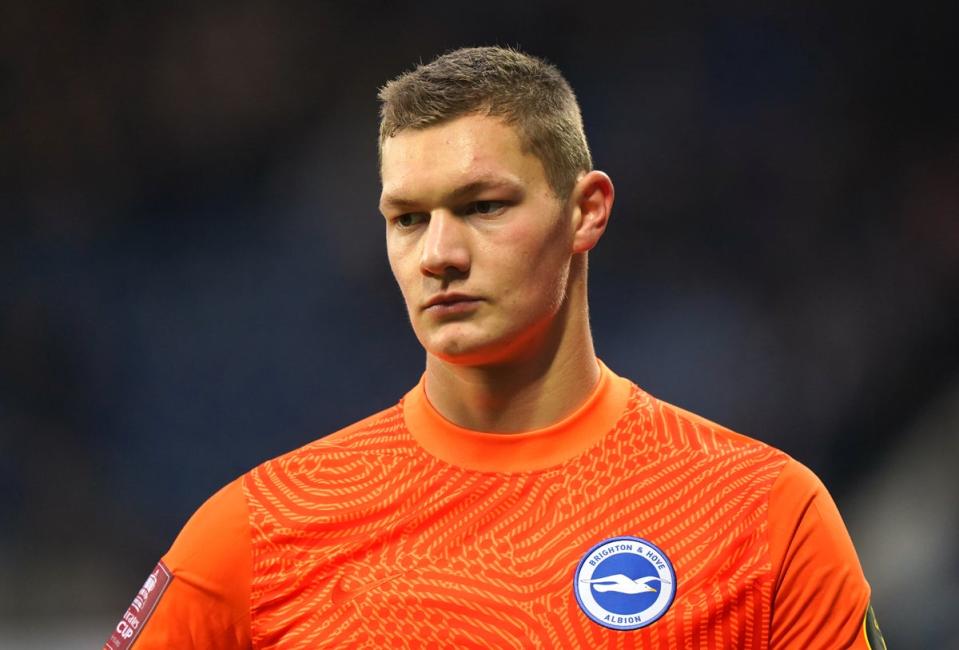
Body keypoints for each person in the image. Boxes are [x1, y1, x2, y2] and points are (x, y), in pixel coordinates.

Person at [105, 46, 885, 649]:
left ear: (587, 210)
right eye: (406, 218)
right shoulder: (261, 530)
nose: (438, 252)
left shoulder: (760, 516)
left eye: (482, 206)